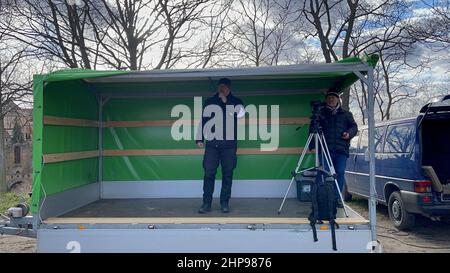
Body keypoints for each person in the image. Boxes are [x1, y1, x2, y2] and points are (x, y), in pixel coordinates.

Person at [196, 78, 244, 214]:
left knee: (227, 174)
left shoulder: (236, 101)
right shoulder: (210, 102)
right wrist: (199, 138)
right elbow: (203, 121)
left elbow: (241, 115)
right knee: (209, 173)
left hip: (229, 145)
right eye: (220, 87)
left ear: (229, 88)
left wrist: (226, 102)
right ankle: (206, 203)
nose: (221, 90)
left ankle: (224, 203)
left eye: (224, 87)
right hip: (212, 144)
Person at [317, 90, 358, 207]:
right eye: (329, 98)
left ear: (338, 99)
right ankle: (323, 197)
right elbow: (313, 129)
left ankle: (337, 197)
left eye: (333, 98)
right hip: (325, 150)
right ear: (326, 100)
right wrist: (312, 146)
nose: (331, 100)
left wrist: (349, 134)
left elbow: (354, 127)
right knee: (324, 173)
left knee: (339, 173)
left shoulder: (346, 114)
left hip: (341, 150)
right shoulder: (321, 113)